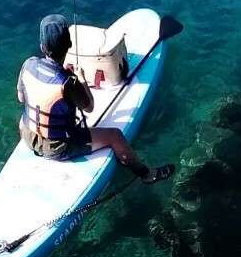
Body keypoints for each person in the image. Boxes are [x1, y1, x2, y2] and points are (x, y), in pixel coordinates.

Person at [17, 14, 174, 183]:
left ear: (42, 46)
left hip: (28, 136)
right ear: (69, 45)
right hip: (58, 147)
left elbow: (20, 98)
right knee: (115, 136)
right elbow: (89, 107)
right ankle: (147, 175)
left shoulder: (28, 64)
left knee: (25, 118)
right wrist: (82, 79)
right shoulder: (67, 83)